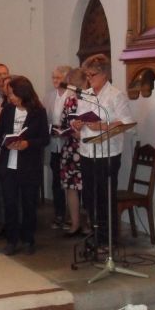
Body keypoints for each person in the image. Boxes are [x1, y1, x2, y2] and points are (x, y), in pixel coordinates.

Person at [71, 54, 134, 245]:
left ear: (104, 74)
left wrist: (104, 126)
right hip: (87, 151)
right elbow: (79, 124)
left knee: (105, 197)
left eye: (92, 75)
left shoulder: (116, 95)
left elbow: (129, 123)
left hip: (108, 153)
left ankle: (109, 239)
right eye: (87, 75)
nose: (89, 79)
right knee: (89, 196)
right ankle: (96, 233)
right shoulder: (86, 95)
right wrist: (77, 125)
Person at [0, 76, 50, 255]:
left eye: (13, 93)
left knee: (29, 204)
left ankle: (28, 239)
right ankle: (11, 240)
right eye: (9, 94)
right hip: (8, 165)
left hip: (29, 166)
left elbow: (44, 138)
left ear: (23, 93)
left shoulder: (38, 112)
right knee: (10, 203)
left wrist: (28, 144)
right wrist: (5, 142)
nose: (10, 97)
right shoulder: (8, 110)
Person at [59, 68, 90, 237]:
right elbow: (64, 122)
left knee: (87, 188)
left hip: (88, 148)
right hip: (71, 148)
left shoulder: (93, 100)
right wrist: (63, 130)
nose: (75, 89)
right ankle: (76, 223)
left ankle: (89, 224)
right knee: (71, 187)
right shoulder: (70, 101)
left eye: (77, 85)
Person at [43, 65, 72, 229]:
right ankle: (59, 213)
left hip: (69, 145)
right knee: (57, 181)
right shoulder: (48, 97)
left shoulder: (73, 95)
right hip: (54, 145)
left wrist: (64, 130)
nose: (54, 81)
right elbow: (43, 120)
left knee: (71, 183)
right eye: (53, 77)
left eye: (58, 78)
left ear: (67, 79)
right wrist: (51, 129)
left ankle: (73, 215)